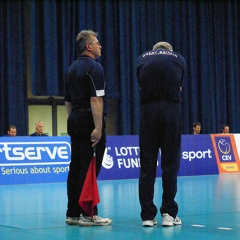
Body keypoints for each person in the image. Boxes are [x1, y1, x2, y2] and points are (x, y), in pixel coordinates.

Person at [64, 30, 111, 226]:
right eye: (97, 42)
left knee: (75, 166)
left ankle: (73, 212)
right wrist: (98, 127)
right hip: (89, 121)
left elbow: (67, 101)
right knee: (89, 166)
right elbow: (96, 99)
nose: (100, 46)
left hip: (74, 119)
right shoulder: (95, 68)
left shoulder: (71, 69)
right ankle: (88, 214)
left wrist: (75, 119)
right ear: (89, 47)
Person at [137, 41, 186, 227]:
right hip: (170, 111)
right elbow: (179, 86)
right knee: (170, 164)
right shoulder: (178, 59)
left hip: (148, 111)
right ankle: (168, 213)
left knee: (147, 166)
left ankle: (148, 216)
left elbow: (141, 84)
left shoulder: (141, 59)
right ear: (169, 51)